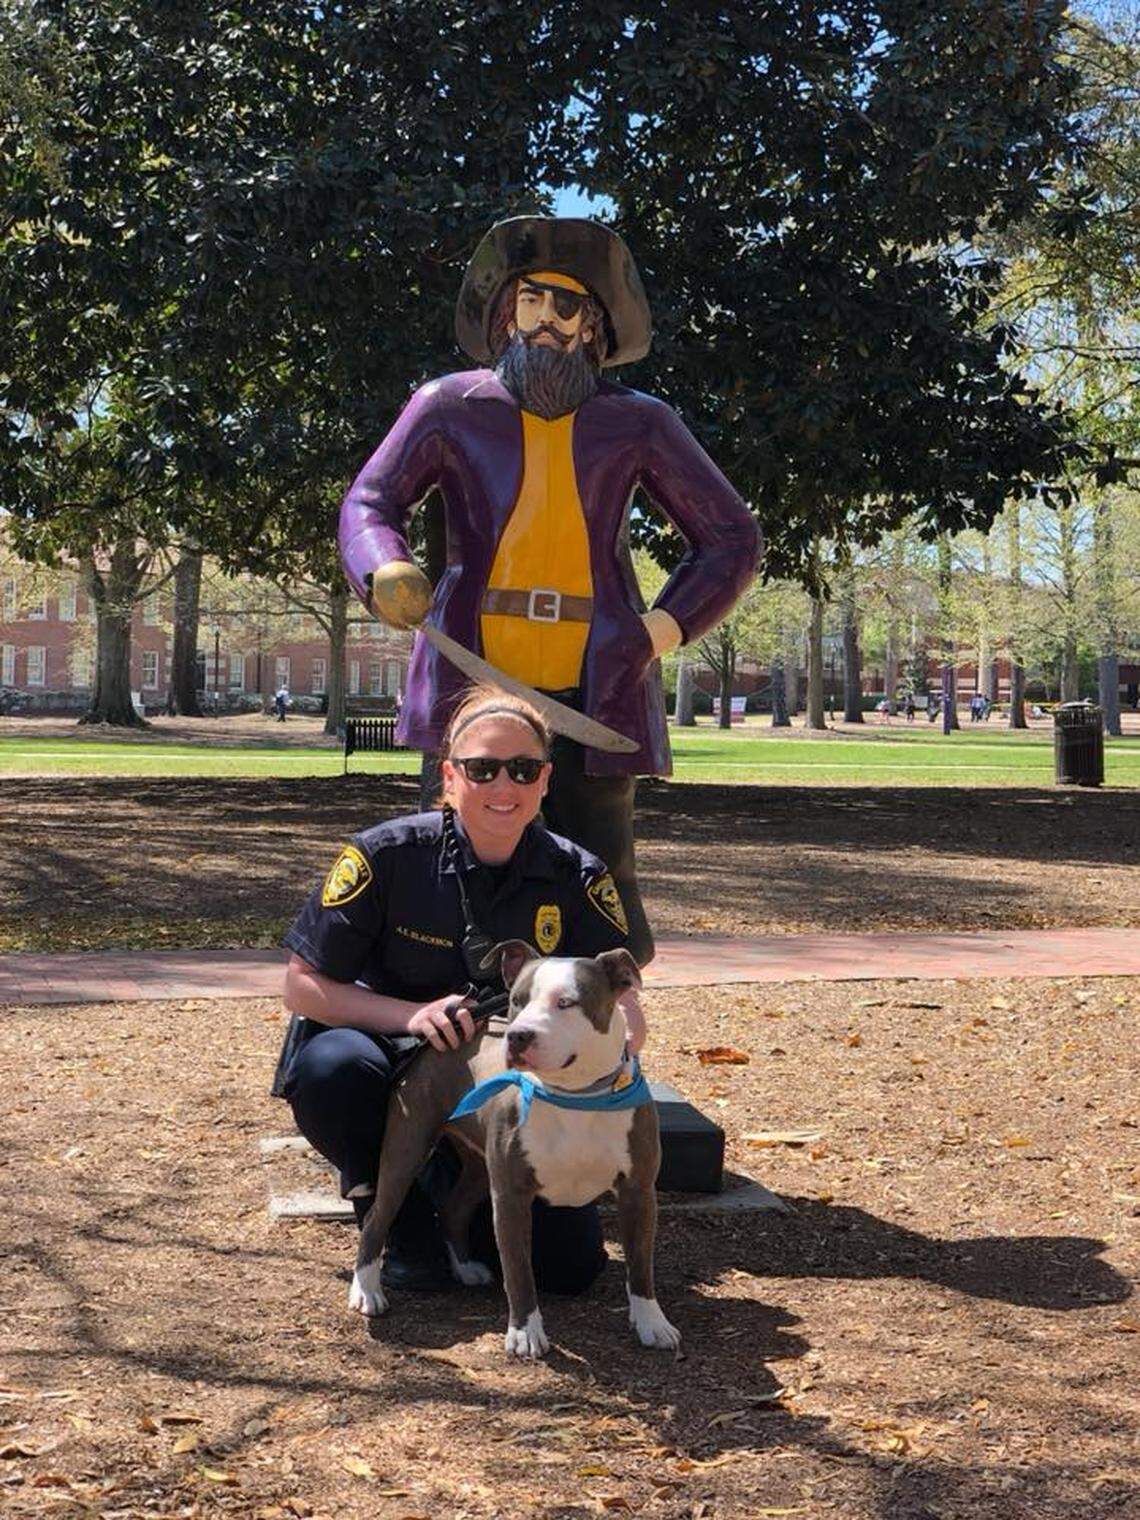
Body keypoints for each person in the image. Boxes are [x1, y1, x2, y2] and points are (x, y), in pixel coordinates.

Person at [338, 216, 762, 966]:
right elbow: (370, 502)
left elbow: (731, 536)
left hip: (594, 684)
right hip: (472, 678)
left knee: (602, 872)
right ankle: (450, 1017)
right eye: (531, 301)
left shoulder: (639, 423)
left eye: (566, 308)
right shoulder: (446, 406)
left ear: (593, 328)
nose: (546, 322)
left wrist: (653, 632)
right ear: (506, 315)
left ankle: (600, 1031)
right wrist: (384, 568)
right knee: (454, 860)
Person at [278, 684, 645, 1293]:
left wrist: (614, 1054)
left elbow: (624, 1007)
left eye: (524, 770)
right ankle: (394, 1212)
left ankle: (462, 1195)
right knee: (330, 1070)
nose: (504, 787)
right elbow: (300, 987)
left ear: (546, 781)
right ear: (449, 777)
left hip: (512, 1076)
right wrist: (410, 1015)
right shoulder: (386, 855)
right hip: (383, 1045)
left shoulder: (578, 877)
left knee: (571, 1272)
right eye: (482, 769)